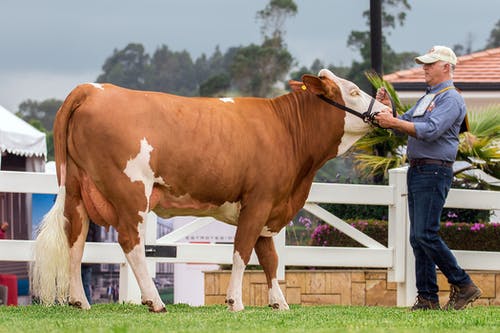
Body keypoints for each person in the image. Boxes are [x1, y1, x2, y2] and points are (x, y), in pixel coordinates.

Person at [375, 45, 482, 311]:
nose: (424, 68)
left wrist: (393, 122)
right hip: (421, 170)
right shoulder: (429, 97)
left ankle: (464, 284)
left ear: (446, 67)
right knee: (418, 237)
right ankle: (427, 298)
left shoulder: (451, 99)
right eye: (424, 64)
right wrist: (390, 113)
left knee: (425, 233)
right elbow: (406, 124)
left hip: (434, 171)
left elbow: (431, 130)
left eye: (430, 64)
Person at [81, 221, 101, 304]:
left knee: (85, 284)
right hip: (87, 258)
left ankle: (86, 303)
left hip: (85, 259)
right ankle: (87, 303)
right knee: (86, 284)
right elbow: (97, 239)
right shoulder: (94, 222)